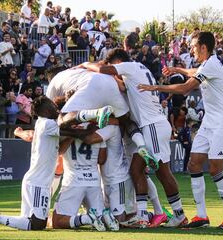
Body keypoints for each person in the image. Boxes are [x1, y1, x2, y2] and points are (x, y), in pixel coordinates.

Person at [138, 31, 223, 229]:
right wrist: (178, 68)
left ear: (204, 47)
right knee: (194, 165)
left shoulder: (210, 64)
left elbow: (186, 88)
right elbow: (193, 72)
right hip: (210, 123)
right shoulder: (207, 64)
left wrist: (155, 88)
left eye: (194, 46)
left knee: (214, 168)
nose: (191, 49)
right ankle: (201, 216)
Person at [80, 48, 187, 228]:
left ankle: (179, 215)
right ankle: (143, 215)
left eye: (114, 65)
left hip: (151, 125)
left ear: (118, 62)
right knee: (137, 170)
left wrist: (86, 65)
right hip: (153, 125)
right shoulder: (138, 70)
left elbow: (103, 70)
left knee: (162, 172)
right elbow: (122, 86)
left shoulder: (129, 66)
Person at [0, 96, 96, 231]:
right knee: (37, 224)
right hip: (38, 183)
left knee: (30, 222)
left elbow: (60, 149)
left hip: (36, 180)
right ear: (45, 110)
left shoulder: (44, 124)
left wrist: (72, 135)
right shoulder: (47, 124)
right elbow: (79, 133)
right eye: (52, 106)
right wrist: (93, 125)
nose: (55, 108)